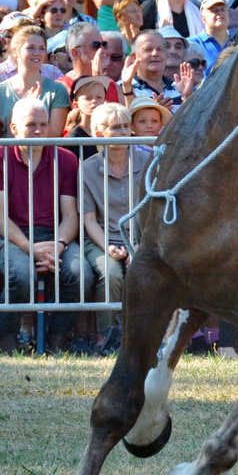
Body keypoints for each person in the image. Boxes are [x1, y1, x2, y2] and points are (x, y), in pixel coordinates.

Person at [0, 96, 84, 353]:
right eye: (30, 125)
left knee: (80, 272)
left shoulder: (66, 159)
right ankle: (5, 338)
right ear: (14, 129)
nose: (38, 130)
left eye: (43, 124)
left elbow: (70, 214)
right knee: (23, 274)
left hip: (54, 236)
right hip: (8, 236)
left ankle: (58, 338)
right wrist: (30, 248)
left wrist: (58, 247)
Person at [78, 101, 150, 352]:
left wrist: (139, 245)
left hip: (141, 237)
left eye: (125, 127)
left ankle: (145, 340)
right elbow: (88, 219)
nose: (123, 133)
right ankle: (104, 339)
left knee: (144, 271)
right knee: (111, 274)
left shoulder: (148, 161)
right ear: (99, 134)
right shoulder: (86, 169)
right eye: (115, 128)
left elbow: (153, 210)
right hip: (101, 237)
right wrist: (108, 247)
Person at [0, 24, 69, 137]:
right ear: (15, 51)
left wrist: (30, 109)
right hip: (6, 154)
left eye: (42, 48)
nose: (37, 53)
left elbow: (54, 136)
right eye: (30, 47)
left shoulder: (57, 90)